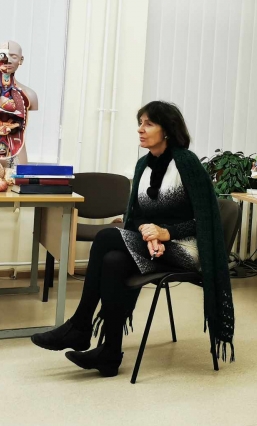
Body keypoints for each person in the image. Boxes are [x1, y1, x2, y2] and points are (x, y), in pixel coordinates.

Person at [31, 101, 235, 377]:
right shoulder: (143, 165)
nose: (140, 129)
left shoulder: (186, 163)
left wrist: (166, 233)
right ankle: (109, 354)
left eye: (148, 123)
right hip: (156, 246)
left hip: (187, 248)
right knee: (114, 261)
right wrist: (148, 233)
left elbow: (206, 219)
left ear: (167, 130)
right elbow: (136, 215)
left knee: (106, 237)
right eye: (140, 123)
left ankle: (80, 325)